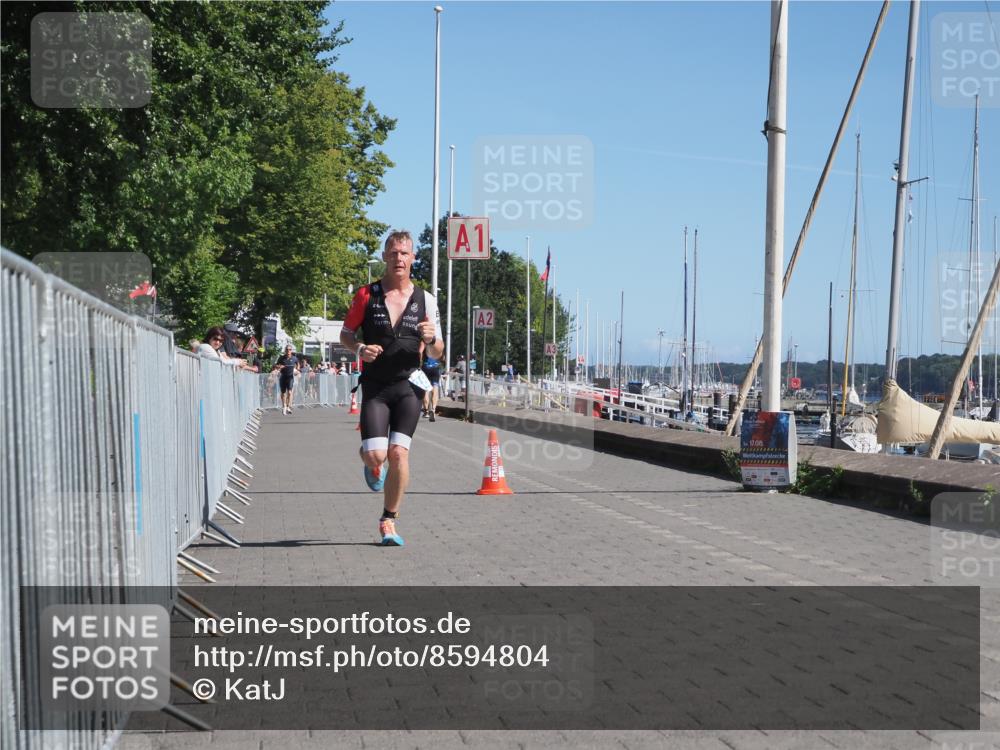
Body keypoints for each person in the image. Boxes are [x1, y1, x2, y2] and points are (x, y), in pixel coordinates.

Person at [340, 229, 444, 547]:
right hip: (376, 386)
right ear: (385, 256)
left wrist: (430, 339)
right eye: (393, 252)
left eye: (404, 253)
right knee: (377, 455)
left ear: (413, 258)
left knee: (398, 453)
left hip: (409, 386)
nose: (399, 258)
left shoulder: (426, 300)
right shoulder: (366, 295)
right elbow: (345, 334)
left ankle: (389, 520)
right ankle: (372, 464)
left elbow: (439, 352)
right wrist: (359, 349)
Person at [272, 344, 300, 415]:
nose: (288, 351)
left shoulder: (294, 358)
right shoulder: (281, 358)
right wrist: (279, 366)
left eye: (290, 349)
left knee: (290, 392)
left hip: (290, 377)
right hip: (283, 377)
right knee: (283, 393)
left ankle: (288, 406)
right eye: (287, 349)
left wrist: (297, 370)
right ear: (285, 350)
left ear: (291, 351)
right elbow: (275, 365)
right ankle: (284, 405)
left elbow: (298, 364)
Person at [421, 355, 441, 421]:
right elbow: (442, 357)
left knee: (426, 389)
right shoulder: (439, 344)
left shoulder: (424, 344)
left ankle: (426, 411)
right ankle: (433, 409)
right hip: (435, 367)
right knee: (435, 388)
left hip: (425, 367)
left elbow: (420, 353)